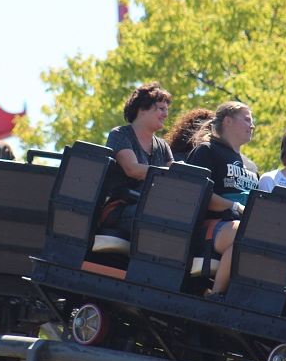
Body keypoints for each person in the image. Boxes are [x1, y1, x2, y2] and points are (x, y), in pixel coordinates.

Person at [186, 102, 260, 295]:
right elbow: (199, 195)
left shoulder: (252, 167)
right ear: (228, 121)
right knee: (242, 234)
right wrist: (235, 206)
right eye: (246, 120)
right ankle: (215, 296)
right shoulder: (206, 151)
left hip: (242, 228)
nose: (252, 126)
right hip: (211, 228)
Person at [97, 83, 175, 237]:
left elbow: (176, 179)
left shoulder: (163, 146)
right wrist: (169, 173)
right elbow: (132, 169)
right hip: (121, 209)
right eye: (161, 109)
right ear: (142, 109)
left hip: (153, 207)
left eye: (166, 110)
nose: (166, 114)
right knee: (159, 213)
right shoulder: (120, 134)